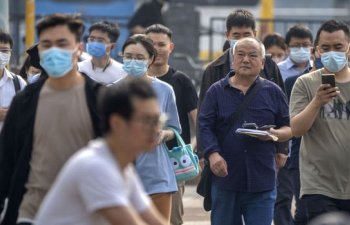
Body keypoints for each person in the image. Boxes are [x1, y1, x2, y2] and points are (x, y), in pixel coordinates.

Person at [0, 14, 102, 225]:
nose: (54, 50)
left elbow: (119, 162)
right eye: (47, 44)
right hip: (31, 213)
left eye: (62, 43)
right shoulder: (25, 101)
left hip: (85, 214)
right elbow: (6, 162)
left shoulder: (99, 98)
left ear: (78, 48)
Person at [35, 78, 168, 225]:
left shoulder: (123, 168)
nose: (155, 130)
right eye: (147, 121)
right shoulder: (95, 166)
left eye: (157, 121)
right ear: (117, 123)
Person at [198, 37, 291, 225]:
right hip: (225, 178)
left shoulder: (273, 91)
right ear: (233, 59)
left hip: (262, 178)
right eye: (240, 55)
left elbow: (288, 126)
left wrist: (279, 143)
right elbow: (204, 126)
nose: (246, 60)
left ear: (263, 63)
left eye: (253, 55)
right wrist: (213, 154)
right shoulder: (216, 91)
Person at [197, 8, 288, 182]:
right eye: (236, 35)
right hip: (224, 152)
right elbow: (204, 115)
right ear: (227, 35)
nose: (242, 39)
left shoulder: (268, 65)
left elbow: (282, 112)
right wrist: (204, 152)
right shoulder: (214, 69)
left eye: (246, 34)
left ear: (255, 33)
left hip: (262, 154)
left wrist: (282, 148)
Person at [290, 19, 350, 224]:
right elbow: (296, 129)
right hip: (318, 187)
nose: (332, 52)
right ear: (316, 50)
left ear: (348, 48)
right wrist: (317, 102)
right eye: (326, 47)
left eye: (338, 47)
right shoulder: (305, 83)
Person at [118, 34, 181, 223]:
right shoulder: (111, 91)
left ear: (151, 60)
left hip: (157, 174)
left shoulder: (165, 90)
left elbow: (175, 129)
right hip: (122, 174)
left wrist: (163, 134)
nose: (133, 62)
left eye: (139, 58)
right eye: (128, 57)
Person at [145, 24, 198, 225]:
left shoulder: (180, 81)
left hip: (173, 162)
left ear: (171, 47)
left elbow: (196, 118)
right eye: (151, 44)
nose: (157, 49)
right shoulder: (130, 81)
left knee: (171, 218)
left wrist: (202, 152)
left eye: (161, 44)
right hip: (139, 161)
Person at [274, 24, 313, 225]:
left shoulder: (319, 72)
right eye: (296, 45)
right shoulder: (277, 72)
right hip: (284, 144)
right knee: (282, 197)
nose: (301, 49)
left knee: (304, 201)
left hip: (308, 147)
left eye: (305, 45)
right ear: (288, 47)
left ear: (312, 47)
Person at [78, 21, 126, 85]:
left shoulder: (122, 72)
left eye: (100, 41)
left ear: (112, 46)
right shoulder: (79, 69)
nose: (94, 44)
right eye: (91, 39)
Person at [0, 29, 27, 132]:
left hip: (10, 146)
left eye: (4, 51)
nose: (0, 54)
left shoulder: (18, 83)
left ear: (10, 52)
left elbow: (27, 114)